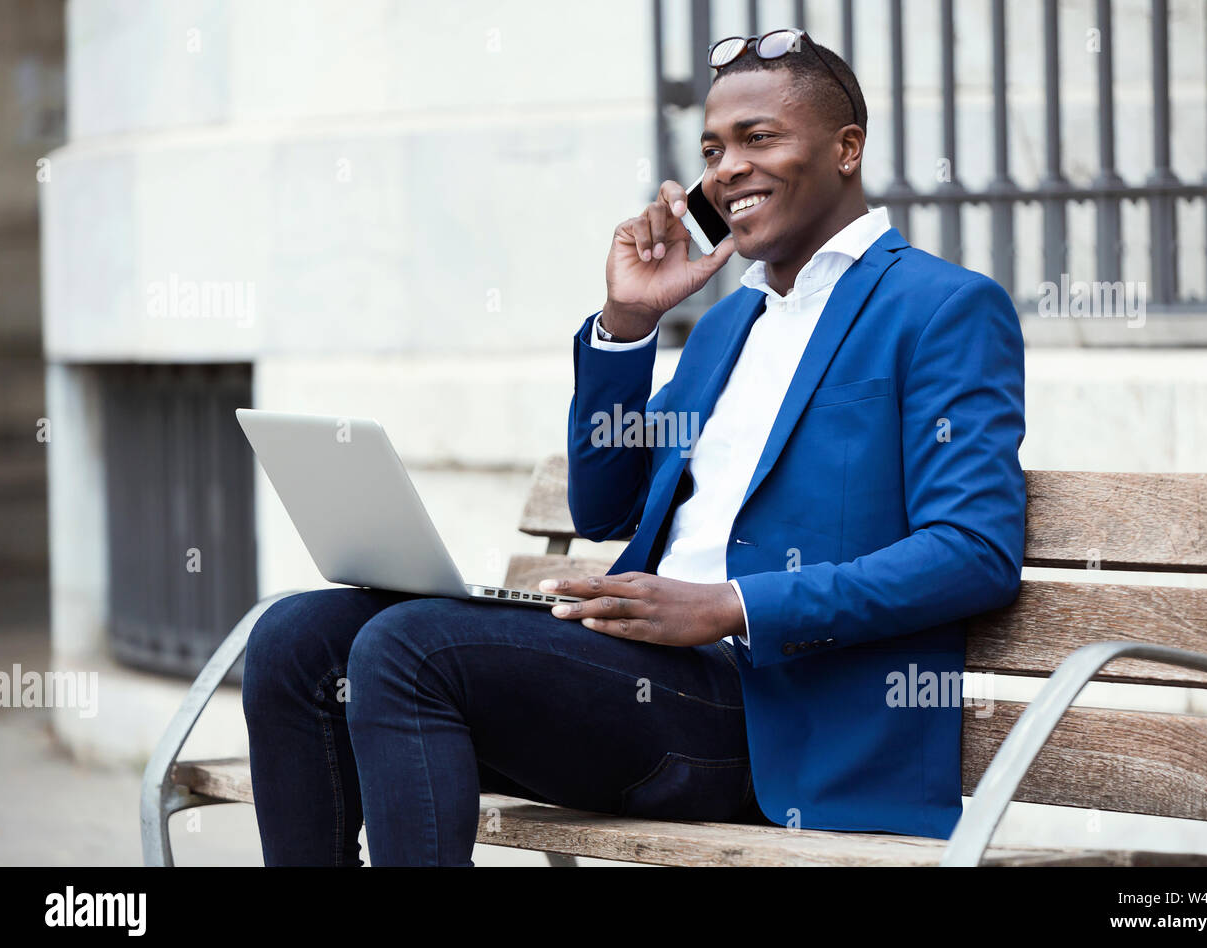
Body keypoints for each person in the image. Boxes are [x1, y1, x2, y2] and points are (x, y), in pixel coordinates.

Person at [241, 29, 1026, 867]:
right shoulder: (731, 323)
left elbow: (974, 551)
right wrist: (626, 328)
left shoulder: (941, 307)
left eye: (758, 139)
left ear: (846, 149)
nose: (726, 170)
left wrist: (733, 605)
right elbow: (605, 505)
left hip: (776, 722)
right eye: (713, 150)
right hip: (644, 683)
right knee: (296, 638)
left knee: (406, 650)